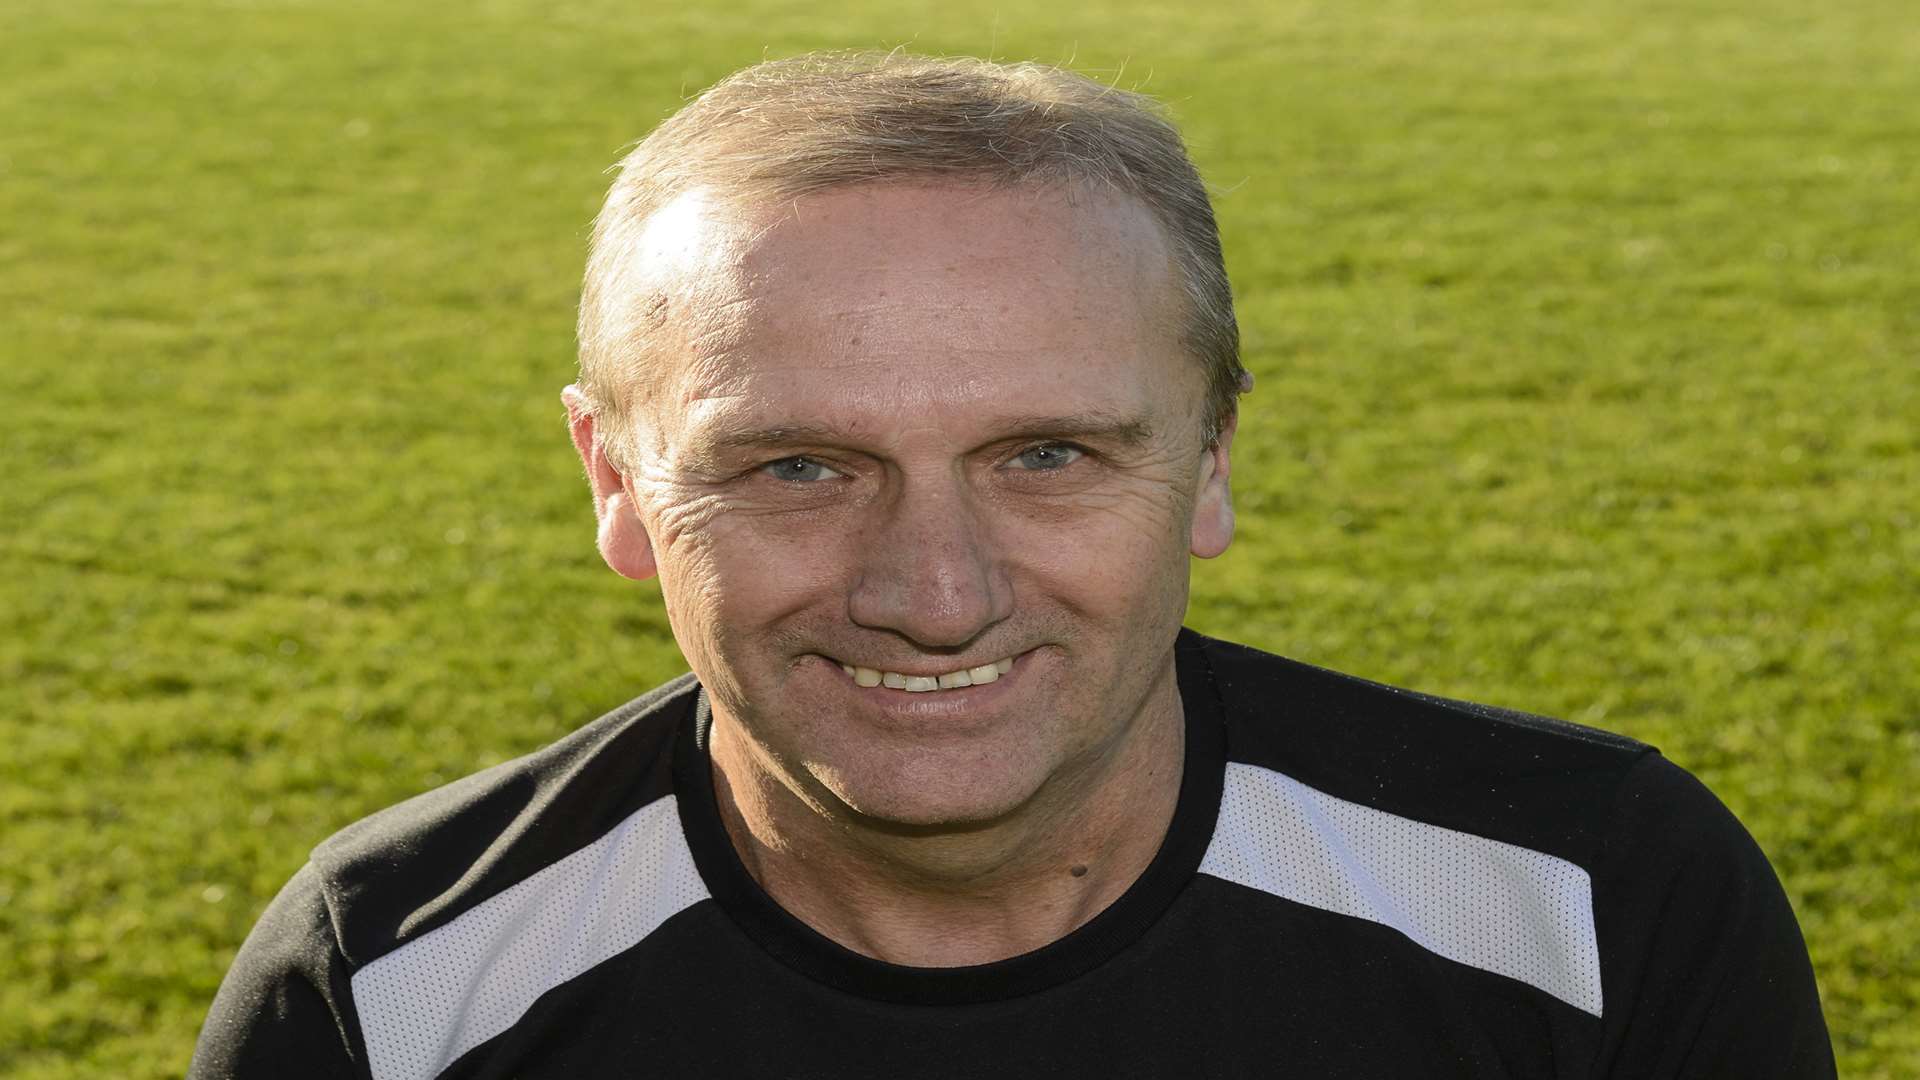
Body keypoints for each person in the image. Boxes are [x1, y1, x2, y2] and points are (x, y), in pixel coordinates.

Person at [189, 53, 1834, 1079]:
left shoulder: (1591, 902)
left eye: (1045, 456)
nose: (936, 591)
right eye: (798, 467)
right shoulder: (397, 990)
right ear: (616, 481)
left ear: (1210, 461)